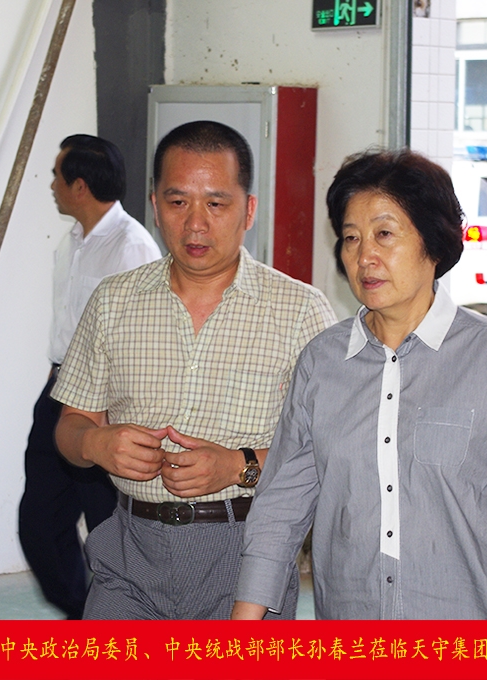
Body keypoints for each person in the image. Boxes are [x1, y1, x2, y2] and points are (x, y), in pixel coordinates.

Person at [232, 149, 487, 620]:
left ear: (433, 243)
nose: (364, 256)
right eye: (351, 237)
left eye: (384, 234)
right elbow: (279, 512)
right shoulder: (322, 363)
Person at [51, 120, 336, 619]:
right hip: (129, 558)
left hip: (247, 556)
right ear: (154, 204)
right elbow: (71, 426)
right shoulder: (114, 301)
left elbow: (330, 452)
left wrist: (238, 466)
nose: (196, 224)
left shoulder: (300, 312)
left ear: (249, 210)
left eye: (216, 204)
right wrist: (96, 443)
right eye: (178, 201)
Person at [18, 134, 161, 619]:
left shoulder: (132, 247)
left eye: (56, 176)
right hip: (59, 392)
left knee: (105, 526)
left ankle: (114, 625)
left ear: (79, 185)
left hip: (106, 406)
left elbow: (145, 339)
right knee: (39, 523)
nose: (51, 186)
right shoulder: (73, 243)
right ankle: (83, 617)